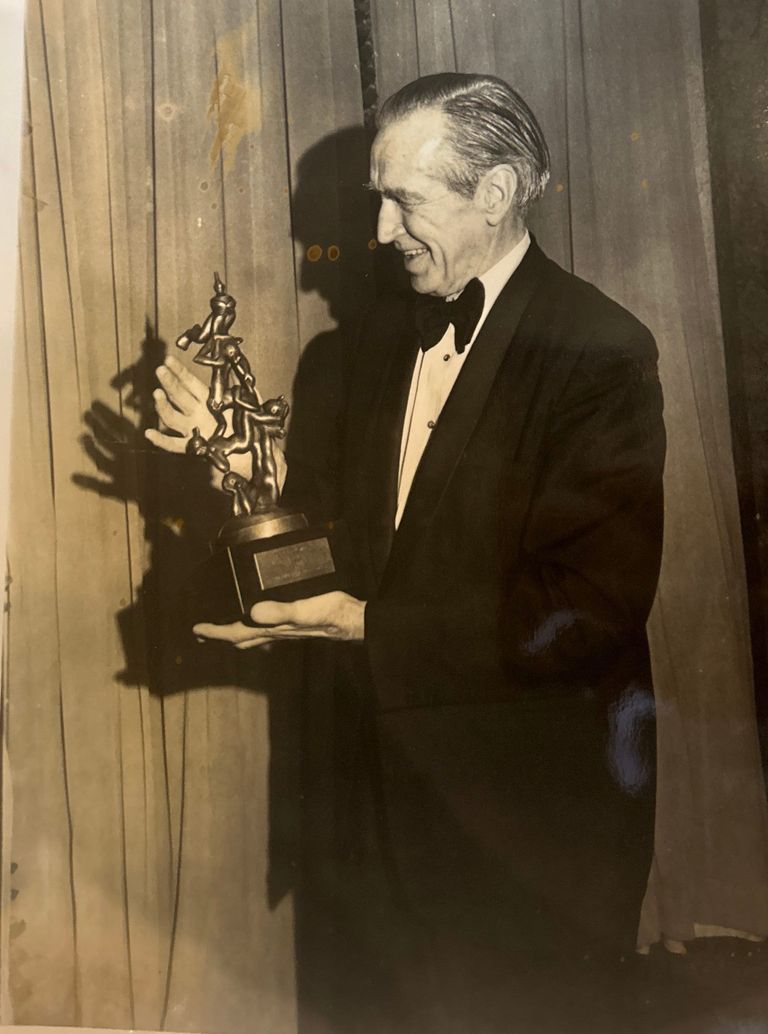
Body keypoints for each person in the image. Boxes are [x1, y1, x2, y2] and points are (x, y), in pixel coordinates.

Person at [147, 72, 665, 1033]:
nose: (378, 233)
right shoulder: (359, 352)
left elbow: (591, 607)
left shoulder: (602, 351)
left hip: (526, 838)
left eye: (403, 201)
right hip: (367, 817)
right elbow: (323, 547)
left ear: (499, 191)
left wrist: (369, 623)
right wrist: (230, 455)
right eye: (376, 201)